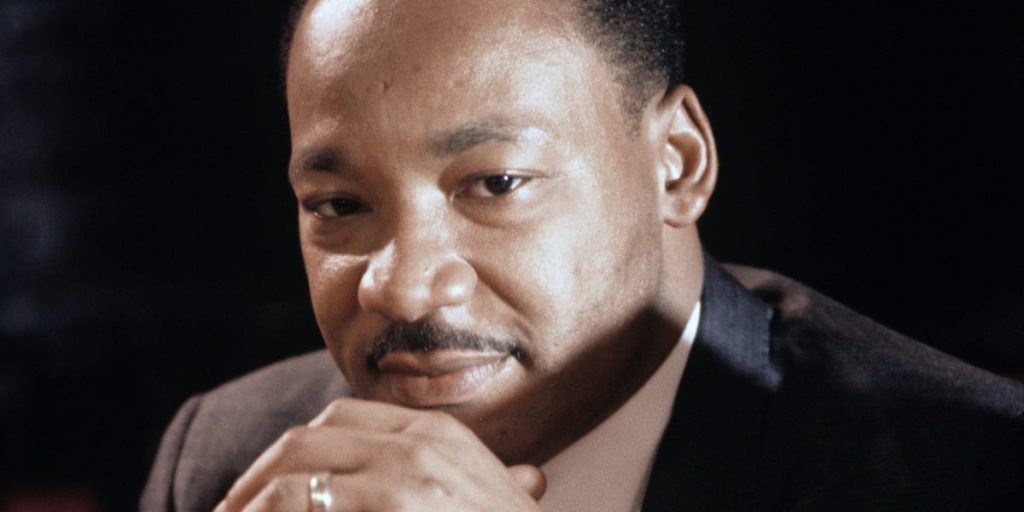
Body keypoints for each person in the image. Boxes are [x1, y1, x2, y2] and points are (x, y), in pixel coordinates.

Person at [141, 0, 1024, 510]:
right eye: (338, 205)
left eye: (495, 185)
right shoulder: (229, 456)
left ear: (677, 164)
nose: (402, 285)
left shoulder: (966, 471)